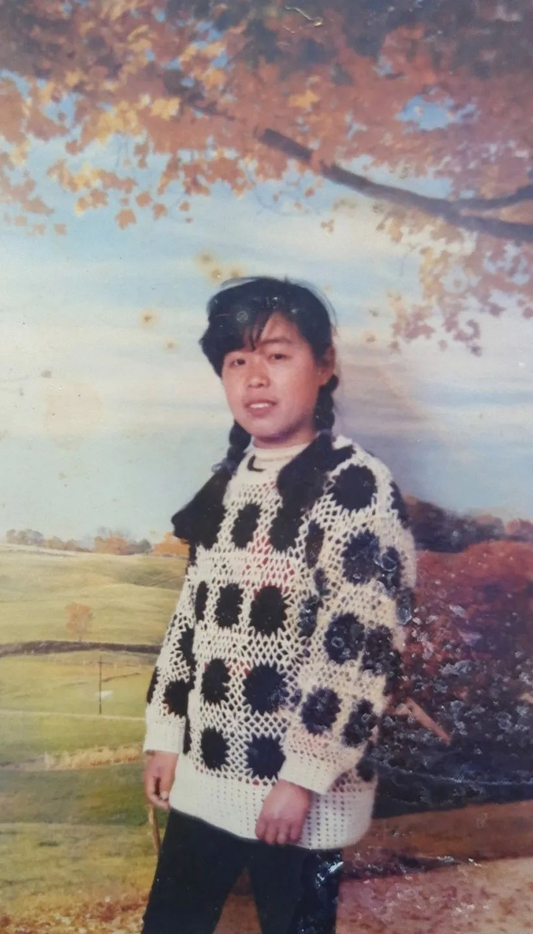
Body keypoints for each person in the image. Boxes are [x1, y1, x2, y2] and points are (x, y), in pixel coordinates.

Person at [140, 276, 416, 934]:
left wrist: (303, 776)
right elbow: (192, 623)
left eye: (277, 355)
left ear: (325, 365)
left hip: (301, 792)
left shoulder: (356, 485)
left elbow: (360, 648)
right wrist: (166, 735)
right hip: (207, 772)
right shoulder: (228, 483)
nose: (255, 378)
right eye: (237, 360)